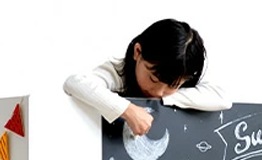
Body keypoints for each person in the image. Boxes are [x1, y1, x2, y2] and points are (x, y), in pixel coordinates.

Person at [64, 18, 231, 136]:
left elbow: (223, 98)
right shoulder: (117, 72)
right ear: (138, 52)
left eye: (173, 85)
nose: (158, 92)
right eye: (153, 79)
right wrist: (128, 110)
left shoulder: (179, 78)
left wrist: (168, 98)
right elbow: (75, 83)